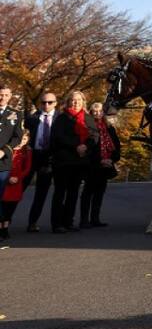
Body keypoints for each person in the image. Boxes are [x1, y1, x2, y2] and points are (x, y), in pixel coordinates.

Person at [48, 89, 96, 234]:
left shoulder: (88, 118)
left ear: (83, 102)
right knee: (60, 193)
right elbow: (58, 137)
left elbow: (94, 136)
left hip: (80, 161)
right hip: (63, 161)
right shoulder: (62, 118)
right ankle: (57, 224)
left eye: (79, 100)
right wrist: (76, 146)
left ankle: (68, 221)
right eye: (73, 100)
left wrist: (85, 146)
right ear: (68, 102)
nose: (76, 103)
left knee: (73, 193)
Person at [79, 102, 121, 228]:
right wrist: (99, 160)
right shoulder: (88, 127)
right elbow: (89, 146)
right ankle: (84, 220)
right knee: (88, 192)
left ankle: (95, 218)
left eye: (100, 111)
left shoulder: (109, 127)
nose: (98, 113)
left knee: (100, 192)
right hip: (92, 164)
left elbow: (116, 145)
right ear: (90, 113)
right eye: (94, 111)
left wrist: (112, 160)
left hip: (106, 164)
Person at [23, 90, 59, 232]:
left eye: (50, 102)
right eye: (43, 102)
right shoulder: (31, 118)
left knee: (41, 193)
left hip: (49, 159)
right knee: (17, 188)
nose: (46, 105)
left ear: (55, 103)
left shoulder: (60, 119)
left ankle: (32, 222)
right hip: (32, 156)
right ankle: (4, 220)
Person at [2, 131, 31, 240]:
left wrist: (18, 177)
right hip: (6, 178)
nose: (22, 142)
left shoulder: (27, 151)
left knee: (11, 206)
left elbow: (27, 168)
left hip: (17, 182)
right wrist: (8, 177)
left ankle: (6, 227)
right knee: (3, 206)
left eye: (25, 139)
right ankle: (2, 229)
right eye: (21, 139)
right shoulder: (8, 149)